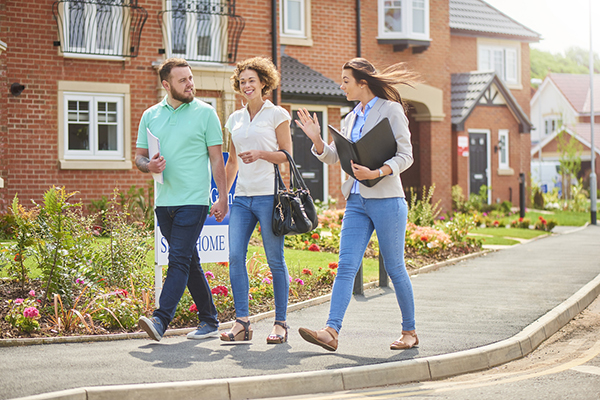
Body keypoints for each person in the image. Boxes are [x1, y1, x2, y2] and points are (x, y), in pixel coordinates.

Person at [295, 58, 418, 351]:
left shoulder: (391, 110)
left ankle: (409, 332)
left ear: (363, 82)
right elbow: (336, 158)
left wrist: (377, 172)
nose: (341, 85)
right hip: (355, 200)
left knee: (395, 266)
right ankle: (331, 331)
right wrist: (317, 142)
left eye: (346, 80)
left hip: (387, 198)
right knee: (346, 266)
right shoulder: (350, 118)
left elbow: (406, 155)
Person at [135, 58, 228, 342]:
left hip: (194, 200)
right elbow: (138, 157)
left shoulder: (206, 113)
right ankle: (210, 321)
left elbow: (216, 160)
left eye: (190, 78)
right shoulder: (150, 115)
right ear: (166, 85)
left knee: (177, 259)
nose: (190, 84)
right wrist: (148, 166)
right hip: (163, 202)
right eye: (183, 80)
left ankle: (160, 320)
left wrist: (222, 197)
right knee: (189, 262)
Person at [220, 57, 292, 344]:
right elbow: (232, 161)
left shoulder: (277, 115)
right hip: (242, 200)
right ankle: (242, 323)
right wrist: (224, 197)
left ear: (264, 82)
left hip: (269, 197)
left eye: (252, 80)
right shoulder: (234, 119)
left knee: (275, 260)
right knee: (235, 256)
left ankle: (280, 323)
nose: (246, 85)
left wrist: (262, 154)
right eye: (242, 81)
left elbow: (287, 155)